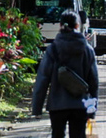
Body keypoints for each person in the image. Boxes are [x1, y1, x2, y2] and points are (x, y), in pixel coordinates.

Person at [33, 10, 99, 138]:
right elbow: (94, 81)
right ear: (77, 26)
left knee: (57, 135)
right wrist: (93, 108)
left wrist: (37, 107)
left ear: (60, 25)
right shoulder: (87, 49)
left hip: (57, 104)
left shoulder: (53, 49)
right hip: (81, 104)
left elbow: (43, 78)